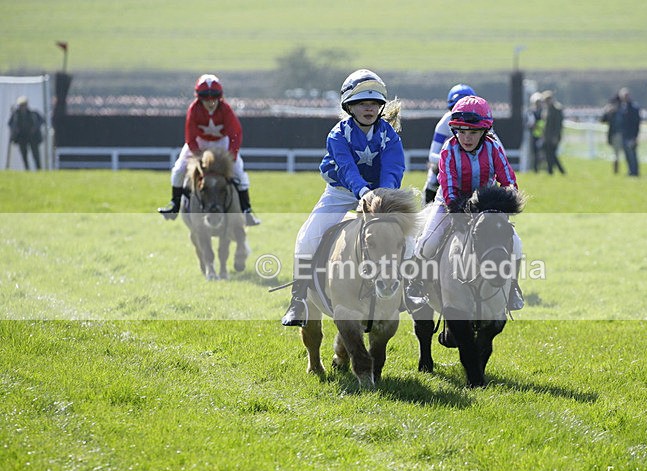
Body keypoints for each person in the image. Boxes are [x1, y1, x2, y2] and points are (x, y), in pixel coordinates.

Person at [281, 69, 406, 326]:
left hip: (380, 198)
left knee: (410, 239)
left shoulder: (390, 135)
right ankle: (299, 300)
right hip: (340, 194)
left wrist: (381, 196)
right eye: (362, 103)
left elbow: (393, 169)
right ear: (349, 106)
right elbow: (347, 169)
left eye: (374, 103)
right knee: (307, 238)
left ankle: (411, 293)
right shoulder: (338, 135)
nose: (369, 108)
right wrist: (363, 192)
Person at [410, 95, 523, 311]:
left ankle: (512, 288)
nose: (466, 138)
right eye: (461, 132)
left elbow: (508, 181)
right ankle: (416, 285)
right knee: (426, 243)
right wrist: (460, 213)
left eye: (472, 132)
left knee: (517, 245)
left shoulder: (494, 148)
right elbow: (449, 187)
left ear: (484, 132)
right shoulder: (448, 150)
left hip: (485, 205)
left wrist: (503, 206)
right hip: (450, 203)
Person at [158, 74, 260, 226]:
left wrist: (231, 157)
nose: (210, 101)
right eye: (205, 97)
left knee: (239, 172)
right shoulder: (194, 109)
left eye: (215, 97)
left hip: (222, 142)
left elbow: (235, 135)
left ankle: (246, 210)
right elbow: (190, 138)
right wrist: (198, 159)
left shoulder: (226, 109)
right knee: (179, 169)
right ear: (199, 97)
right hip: (200, 142)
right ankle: (174, 206)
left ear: (220, 97)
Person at [7, 96, 44, 170]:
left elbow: (42, 120)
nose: (22, 107)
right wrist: (15, 130)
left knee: (35, 154)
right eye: (21, 105)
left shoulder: (33, 114)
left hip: (32, 136)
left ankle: (39, 168)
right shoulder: (15, 115)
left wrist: (35, 128)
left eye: (24, 105)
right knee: (24, 154)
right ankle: (27, 169)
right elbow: (10, 124)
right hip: (21, 137)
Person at [617, 88, 641, 177]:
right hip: (624, 135)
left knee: (632, 155)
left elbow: (636, 123)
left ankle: (635, 172)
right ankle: (630, 171)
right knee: (627, 155)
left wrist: (635, 136)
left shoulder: (634, 107)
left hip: (631, 135)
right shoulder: (622, 107)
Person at [541, 90, 566, 175]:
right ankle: (554, 170)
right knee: (550, 154)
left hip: (554, 136)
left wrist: (555, 137)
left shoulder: (557, 109)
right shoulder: (547, 109)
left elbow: (558, 125)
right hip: (547, 136)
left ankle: (555, 170)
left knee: (552, 154)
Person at [600, 94, 622, 174]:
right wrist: (607, 112)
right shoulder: (611, 112)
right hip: (613, 135)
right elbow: (602, 120)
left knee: (618, 154)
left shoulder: (621, 111)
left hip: (620, 134)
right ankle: (616, 170)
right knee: (616, 154)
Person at [525, 91, 545, 172]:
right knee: (535, 153)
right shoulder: (531, 112)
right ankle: (535, 168)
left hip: (543, 135)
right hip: (534, 135)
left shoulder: (544, 112)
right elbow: (528, 124)